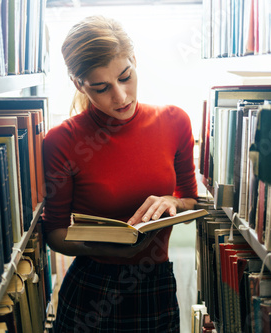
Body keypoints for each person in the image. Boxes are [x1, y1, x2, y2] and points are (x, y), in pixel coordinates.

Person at [41, 15, 198, 332]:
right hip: (91, 289)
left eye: (125, 77)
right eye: (101, 88)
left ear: (135, 62)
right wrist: (101, 248)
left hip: (156, 286)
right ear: (79, 85)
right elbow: (54, 232)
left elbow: (191, 200)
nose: (121, 96)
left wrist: (173, 202)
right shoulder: (61, 141)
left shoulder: (175, 121)